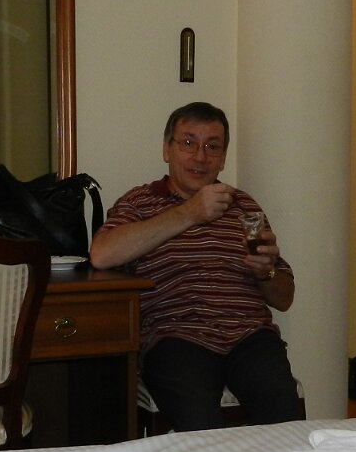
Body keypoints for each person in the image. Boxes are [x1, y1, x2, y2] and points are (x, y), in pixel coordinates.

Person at [89, 102, 304, 431]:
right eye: (188, 143)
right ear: (167, 149)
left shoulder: (243, 205)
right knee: (202, 428)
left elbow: (284, 298)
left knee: (286, 424)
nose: (200, 157)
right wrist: (190, 212)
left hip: (249, 335)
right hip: (177, 336)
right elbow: (102, 255)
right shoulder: (140, 202)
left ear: (223, 157)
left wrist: (266, 272)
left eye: (212, 147)